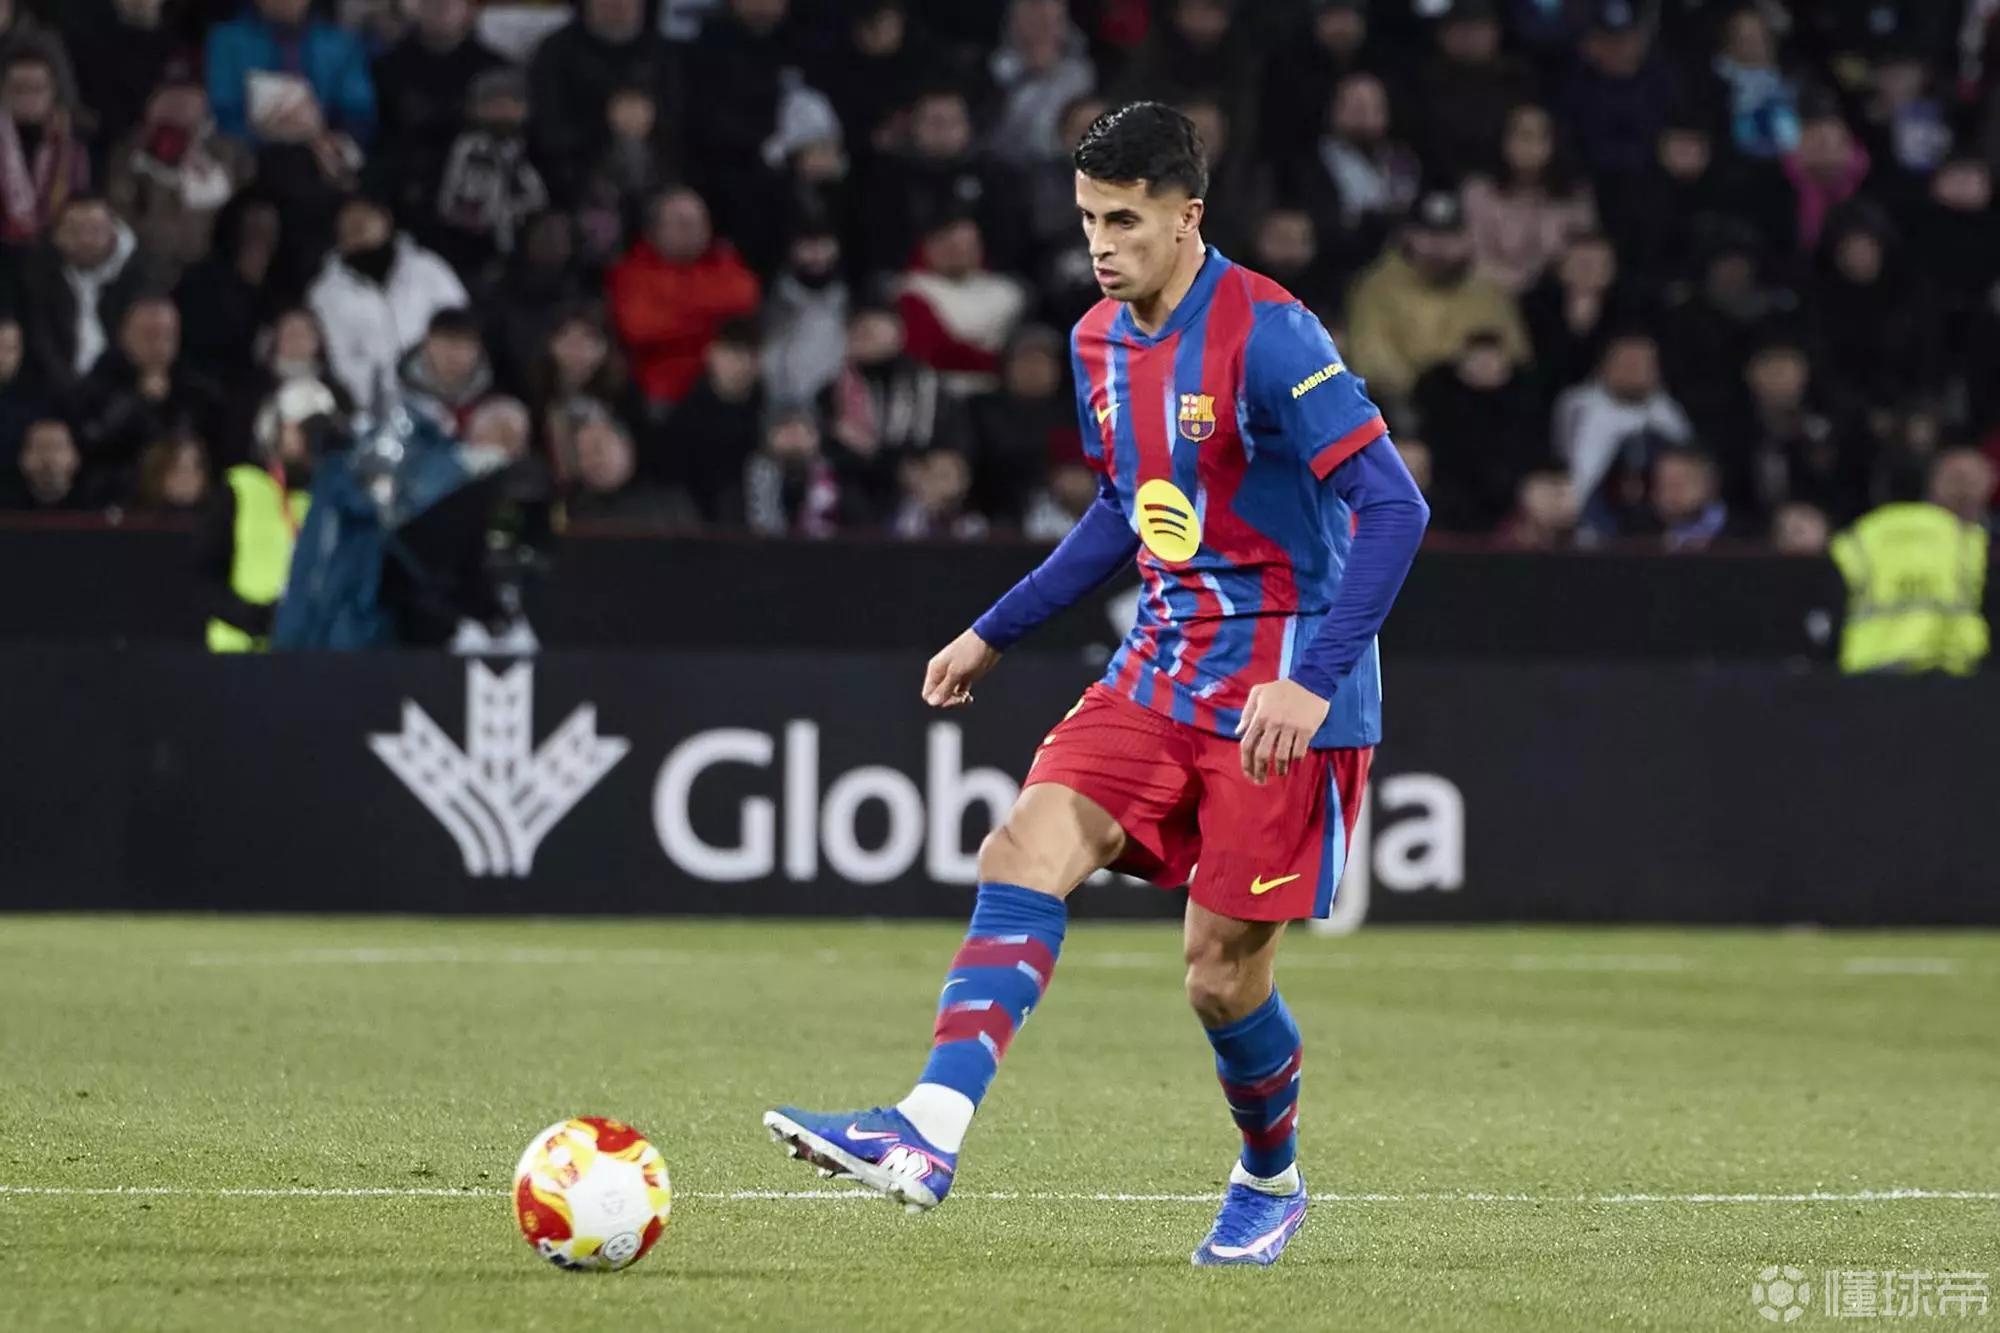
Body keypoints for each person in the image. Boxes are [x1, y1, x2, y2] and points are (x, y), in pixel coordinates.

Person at [763, 102, 1429, 1268]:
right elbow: (1129, 510)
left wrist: (1314, 682)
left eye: (1123, 220)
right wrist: (996, 629)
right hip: (1159, 668)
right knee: (1020, 848)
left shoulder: (1270, 334)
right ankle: (926, 1128)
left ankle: (1268, 1178)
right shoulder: (1094, 343)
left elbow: (1393, 505)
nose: (1100, 244)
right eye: (1086, 220)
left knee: (1218, 979)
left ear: (1187, 217)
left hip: (1282, 690)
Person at [199, 377, 337, 652]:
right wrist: (256, 618)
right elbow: (204, 577)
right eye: (304, 429)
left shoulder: (335, 500)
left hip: (309, 654)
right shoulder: (241, 488)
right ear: (274, 430)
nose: (312, 441)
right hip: (238, 654)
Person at [1830, 452, 1990, 675]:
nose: (1962, 490)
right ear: (1931, 486)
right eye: (1955, 479)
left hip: (1872, 670)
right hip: (1951, 669)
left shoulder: (1854, 540)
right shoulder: (1967, 539)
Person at [605, 185, 761, 406]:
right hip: (661, 394)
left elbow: (744, 298)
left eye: (700, 222)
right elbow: (639, 327)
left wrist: (674, 309)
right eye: (682, 223)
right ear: (655, 230)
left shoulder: (723, 258)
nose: (693, 230)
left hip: (723, 388)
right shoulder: (631, 270)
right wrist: (711, 317)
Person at [308, 194, 470, 405]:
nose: (358, 227)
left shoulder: (428, 269)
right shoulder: (325, 293)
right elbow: (340, 362)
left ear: (386, 220)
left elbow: (462, 329)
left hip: (442, 398)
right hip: (370, 409)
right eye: (349, 222)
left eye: (365, 217)